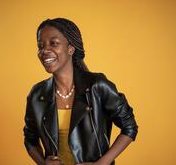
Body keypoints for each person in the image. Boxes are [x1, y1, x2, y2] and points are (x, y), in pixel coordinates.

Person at [23, 18, 138, 165]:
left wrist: (101, 164)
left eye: (54, 43)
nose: (44, 50)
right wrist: (42, 163)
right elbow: (30, 139)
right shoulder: (37, 94)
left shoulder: (97, 85)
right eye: (40, 45)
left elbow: (130, 127)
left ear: (71, 49)